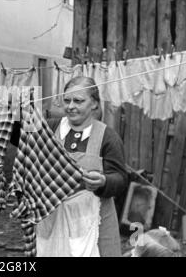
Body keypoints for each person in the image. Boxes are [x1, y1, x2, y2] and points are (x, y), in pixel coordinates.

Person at [10, 76, 129, 257]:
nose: (71, 106)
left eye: (78, 101)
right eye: (67, 100)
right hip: (53, 219)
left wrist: (103, 181)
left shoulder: (107, 137)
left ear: (94, 104)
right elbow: (18, 137)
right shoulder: (50, 128)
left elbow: (121, 179)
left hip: (94, 223)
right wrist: (17, 108)